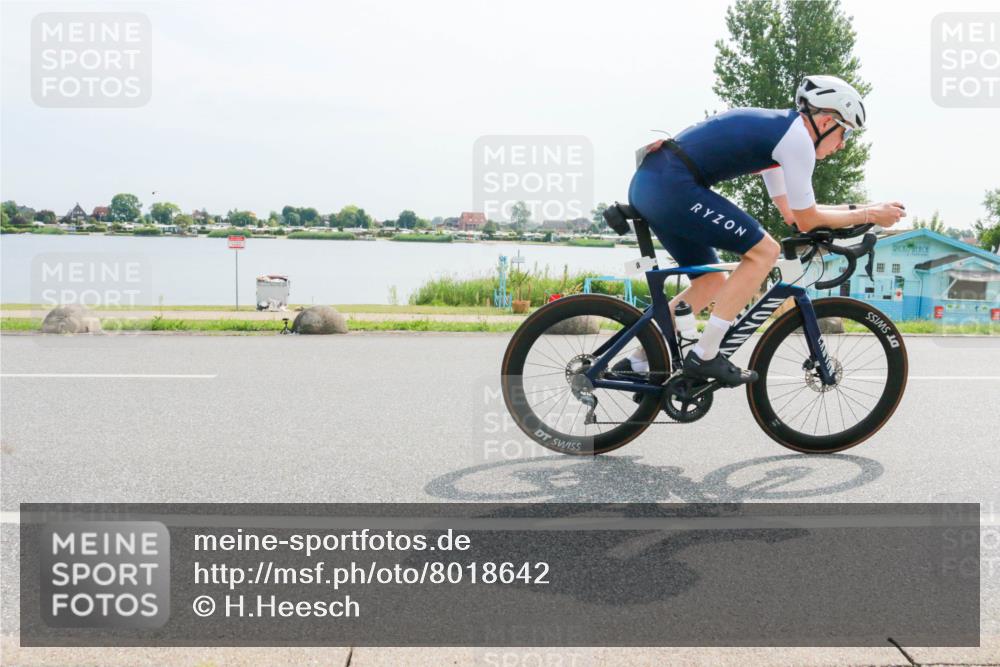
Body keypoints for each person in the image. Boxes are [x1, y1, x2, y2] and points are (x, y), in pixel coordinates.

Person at [620, 74, 905, 386]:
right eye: (845, 134)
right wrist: (869, 212)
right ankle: (705, 355)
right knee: (765, 252)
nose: (842, 145)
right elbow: (808, 219)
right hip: (671, 185)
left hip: (657, 183)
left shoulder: (782, 137)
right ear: (826, 122)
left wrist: (864, 211)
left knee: (711, 280)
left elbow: (794, 215)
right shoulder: (797, 141)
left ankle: (637, 361)